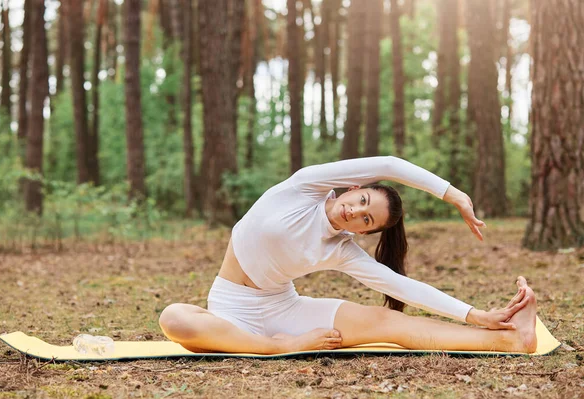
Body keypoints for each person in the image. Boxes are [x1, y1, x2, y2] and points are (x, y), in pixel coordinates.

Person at [159, 156, 538, 354]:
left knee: (388, 322)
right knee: (175, 319)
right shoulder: (304, 187)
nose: (355, 212)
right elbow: (389, 165)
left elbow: (404, 287)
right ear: (352, 189)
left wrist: (478, 315)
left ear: (363, 233)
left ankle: (510, 340)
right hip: (231, 311)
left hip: (285, 311)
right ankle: (277, 348)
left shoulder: (342, 251)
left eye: (366, 219)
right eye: (360, 201)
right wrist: (452, 193)